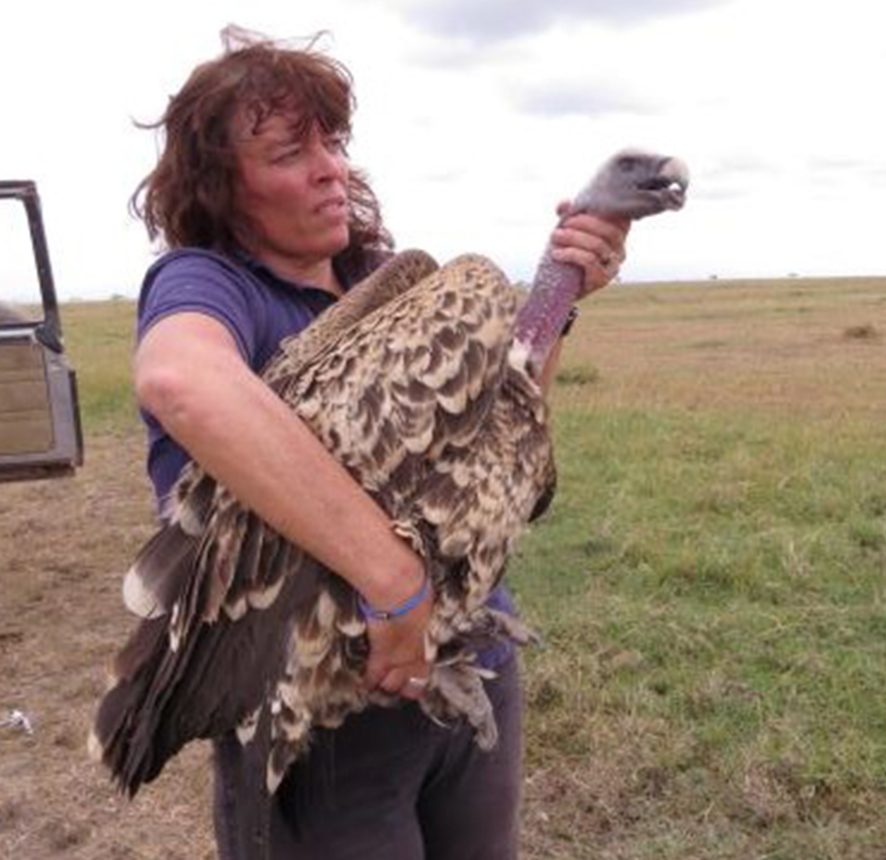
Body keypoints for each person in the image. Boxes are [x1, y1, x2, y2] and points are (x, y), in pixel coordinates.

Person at [132, 28, 630, 860]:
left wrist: (558, 290)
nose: (330, 167)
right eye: (291, 152)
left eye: (331, 142)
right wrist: (394, 580)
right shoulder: (210, 282)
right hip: (329, 710)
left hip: (466, 662)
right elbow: (181, 380)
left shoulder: (385, 281)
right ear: (224, 188)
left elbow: (502, 435)